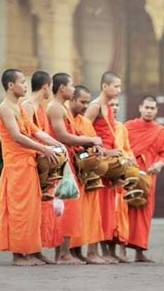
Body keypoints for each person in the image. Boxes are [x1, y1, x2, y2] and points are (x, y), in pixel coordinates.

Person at [0, 68, 62, 266]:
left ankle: (32, 250)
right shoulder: (5, 108)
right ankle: (18, 255)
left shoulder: (20, 108)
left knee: (33, 211)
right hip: (16, 167)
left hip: (28, 164)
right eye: (22, 81)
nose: (25, 85)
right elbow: (17, 136)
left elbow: (35, 131)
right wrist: (44, 149)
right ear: (10, 85)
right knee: (19, 210)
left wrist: (57, 145)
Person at [46, 73, 102, 265]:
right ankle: (63, 254)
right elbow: (63, 137)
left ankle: (64, 252)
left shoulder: (62, 109)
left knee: (68, 207)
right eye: (70, 86)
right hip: (61, 163)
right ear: (62, 88)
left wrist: (88, 146)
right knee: (65, 207)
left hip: (68, 161)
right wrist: (90, 140)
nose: (72, 89)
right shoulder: (55, 107)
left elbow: (72, 136)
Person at [21, 70, 62, 264]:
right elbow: (26, 135)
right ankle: (27, 251)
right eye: (50, 86)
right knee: (30, 211)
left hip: (42, 159)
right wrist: (45, 149)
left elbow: (40, 133)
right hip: (30, 161)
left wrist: (57, 146)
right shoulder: (27, 106)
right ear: (46, 86)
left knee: (41, 211)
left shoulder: (40, 108)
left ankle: (37, 250)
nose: (51, 90)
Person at [124, 95, 164, 262]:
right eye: (147, 107)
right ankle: (121, 250)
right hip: (130, 175)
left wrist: (159, 164)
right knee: (125, 210)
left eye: (152, 108)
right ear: (140, 108)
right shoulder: (128, 127)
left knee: (144, 212)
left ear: (157, 111)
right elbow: (122, 147)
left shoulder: (160, 131)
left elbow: (163, 154)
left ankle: (139, 252)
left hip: (149, 177)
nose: (149, 111)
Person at [84, 72, 123, 263]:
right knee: (95, 209)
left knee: (105, 211)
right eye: (116, 86)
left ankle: (99, 251)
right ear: (104, 86)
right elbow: (83, 132)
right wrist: (106, 153)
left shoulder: (107, 107)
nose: (119, 90)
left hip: (108, 166)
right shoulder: (95, 106)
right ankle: (91, 252)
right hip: (97, 164)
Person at [68, 85, 108, 264]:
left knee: (90, 214)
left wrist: (98, 149)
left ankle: (84, 252)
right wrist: (89, 142)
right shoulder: (66, 118)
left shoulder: (84, 122)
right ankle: (71, 252)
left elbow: (93, 141)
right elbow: (65, 139)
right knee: (73, 212)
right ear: (72, 100)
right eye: (82, 102)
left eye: (87, 102)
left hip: (87, 174)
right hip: (71, 172)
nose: (86, 106)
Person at [109, 97, 134, 263]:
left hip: (122, 176)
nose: (115, 108)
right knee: (110, 213)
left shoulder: (121, 128)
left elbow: (127, 148)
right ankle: (109, 251)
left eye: (117, 105)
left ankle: (123, 250)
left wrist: (130, 158)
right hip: (109, 176)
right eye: (112, 105)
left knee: (123, 214)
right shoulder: (101, 126)